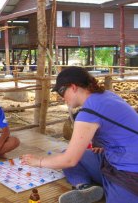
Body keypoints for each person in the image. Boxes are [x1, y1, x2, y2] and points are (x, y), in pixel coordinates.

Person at [21, 66, 138, 203]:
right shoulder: (105, 95)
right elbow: (122, 130)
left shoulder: (89, 112)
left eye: (61, 92)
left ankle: (111, 188)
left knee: (68, 160)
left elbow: (70, 160)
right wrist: (105, 146)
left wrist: (39, 162)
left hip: (130, 171)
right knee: (69, 154)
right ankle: (85, 188)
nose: (62, 99)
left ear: (73, 87)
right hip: (114, 158)